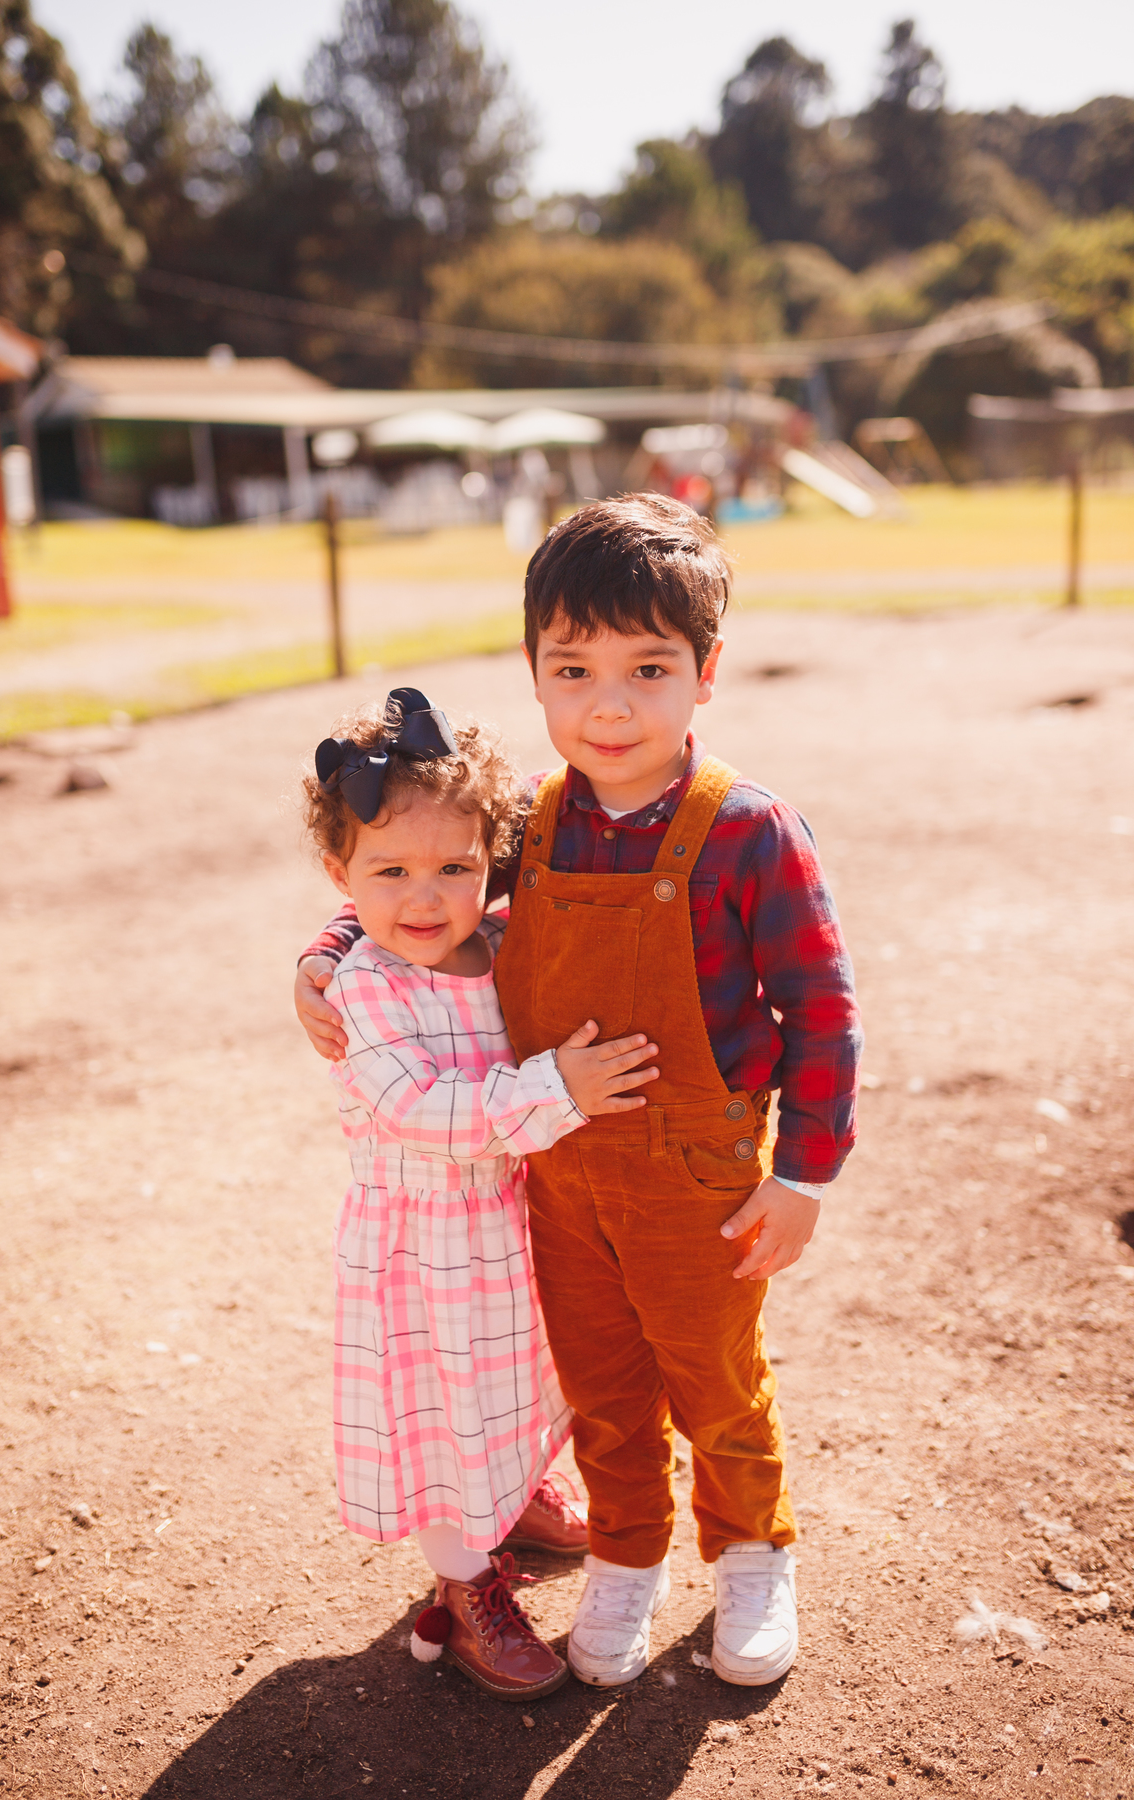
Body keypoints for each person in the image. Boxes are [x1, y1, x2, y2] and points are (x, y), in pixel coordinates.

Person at [296, 497, 862, 1690]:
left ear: (706, 672)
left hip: (698, 1179)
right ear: (535, 673)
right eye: (575, 670)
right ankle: (626, 1551)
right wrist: (332, 947)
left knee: (714, 1379)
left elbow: (821, 1009)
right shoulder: (533, 822)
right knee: (602, 1385)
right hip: (557, 1180)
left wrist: (804, 1175)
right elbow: (418, 877)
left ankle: (753, 1551)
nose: (610, 706)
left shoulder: (751, 831)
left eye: (649, 669)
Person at [302, 686, 661, 1702]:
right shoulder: (366, 989)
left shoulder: (501, 946)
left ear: (490, 866)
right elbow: (425, 1110)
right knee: (441, 1413)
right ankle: (466, 1585)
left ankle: (516, 1495)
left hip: (514, 1225)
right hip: (424, 1251)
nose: (424, 898)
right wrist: (560, 1088)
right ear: (341, 876)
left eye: (454, 869)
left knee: (521, 1383)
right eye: (391, 872)